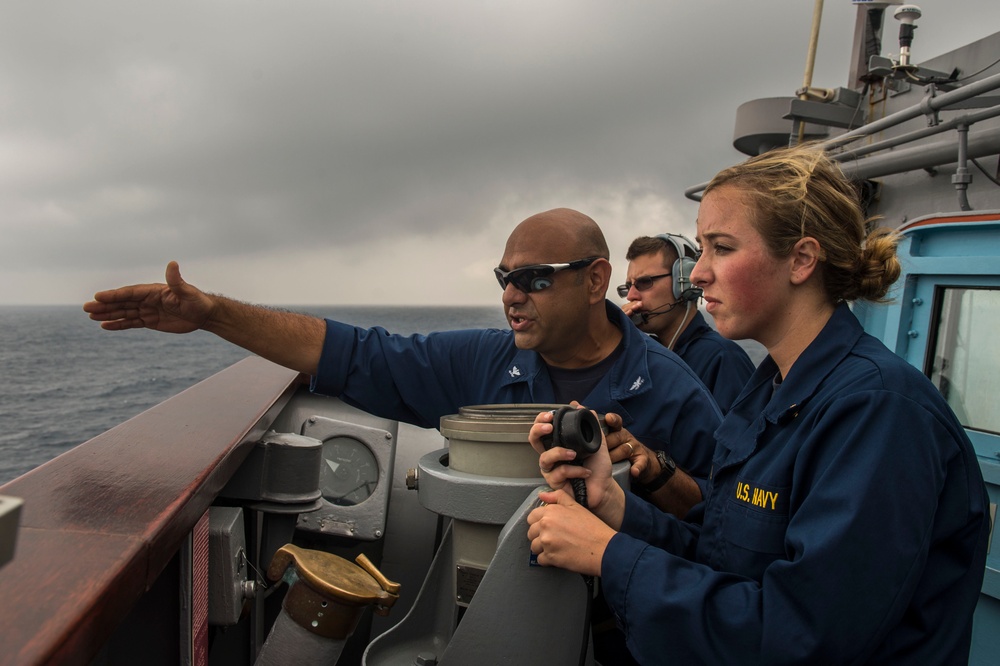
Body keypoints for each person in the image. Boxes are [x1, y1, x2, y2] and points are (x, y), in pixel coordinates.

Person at [525, 146, 990, 664]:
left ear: (801, 259)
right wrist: (614, 505)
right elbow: (722, 555)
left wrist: (609, 556)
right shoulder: (770, 390)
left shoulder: (878, 413)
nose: (697, 275)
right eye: (701, 249)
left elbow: (805, 637)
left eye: (721, 248)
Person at [84, 207, 721, 518]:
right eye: (505, 276)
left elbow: (722, 529)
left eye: (533, 277)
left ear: (595, 281)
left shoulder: (671, 391)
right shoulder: (482, 363)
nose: (510, 295)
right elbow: (354, 352)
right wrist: (211, 314)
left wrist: (651, 472)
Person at [619, 233, 755, 412]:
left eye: (645, 282)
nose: (631, 296)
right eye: (628, 287)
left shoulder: (722, 358)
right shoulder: (643, 358)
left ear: (683, 283)